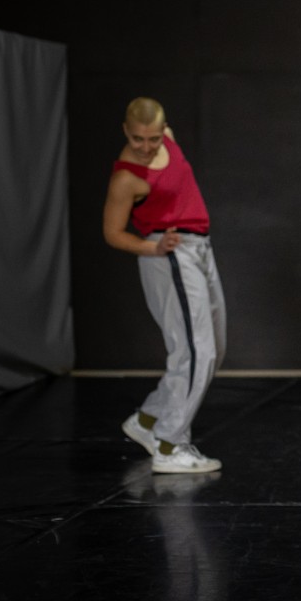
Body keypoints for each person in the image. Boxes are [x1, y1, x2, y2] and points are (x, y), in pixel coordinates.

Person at [103, 97, 225, 472]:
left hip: (199, 247)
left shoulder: (167, 141)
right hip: (169, 253)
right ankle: (170, 445)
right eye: (137, 139)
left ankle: (149, 420)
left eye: (153, 138)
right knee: (196, 352)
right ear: (125, 132)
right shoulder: (126, 177)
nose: (146, 146)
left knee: (212, 349)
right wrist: (154, 248)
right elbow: (112, 233)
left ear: (163, 130)